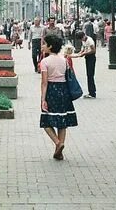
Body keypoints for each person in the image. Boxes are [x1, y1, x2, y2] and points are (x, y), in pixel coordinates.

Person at [39, 33, 77, 161]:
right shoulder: (64, 60)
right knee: (62, 121)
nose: (43, 46)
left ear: (50, 46)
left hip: (52, 91)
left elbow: (44, 83)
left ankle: (57, 143)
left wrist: (42, 99)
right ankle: (58, 152)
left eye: (44, 44)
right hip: (64, 91)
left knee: (46, 121)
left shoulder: (45, 62)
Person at [70, 31, 96, 98]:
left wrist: (84, 53)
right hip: (87, 57)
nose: (82, 40)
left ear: (84, 35)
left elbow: (93, 50)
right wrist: (80, 53)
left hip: (91, 57)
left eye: (82, 38)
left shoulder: (89, 40)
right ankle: (91, 91)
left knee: (90, 75)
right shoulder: (84, 41)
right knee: (88, 75)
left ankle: (92, 92)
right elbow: (83, 48)